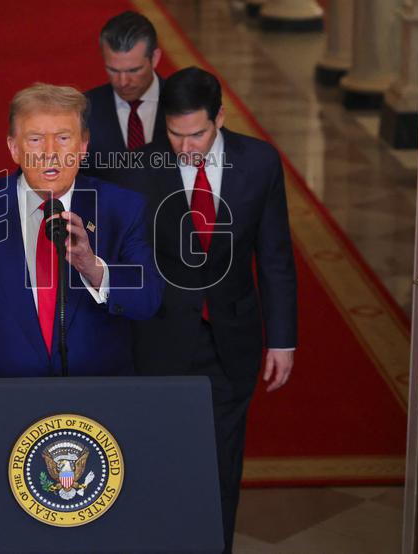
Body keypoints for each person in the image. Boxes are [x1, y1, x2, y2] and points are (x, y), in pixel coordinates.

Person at [0, 83, 164, 415]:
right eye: (36, 139)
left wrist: (93, 267)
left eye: (64, 138)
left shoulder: (122, 208)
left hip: (98, 408)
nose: (50, 152)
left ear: (84, 146)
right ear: (14, 148)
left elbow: (148, 299)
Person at [126, 67, 297, 553]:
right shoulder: (138, 167)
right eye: (174, 134)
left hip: (231, 339)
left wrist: (282, 339)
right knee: (157, 464)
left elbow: (275, 256)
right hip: (158, 338)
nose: (185, 147)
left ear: (219, 118)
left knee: (221, 466)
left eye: (197, 134)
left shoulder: (260, 162)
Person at [80, 11, 166, 180]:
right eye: (113, 70)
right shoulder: (84, 110)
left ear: (155, 58)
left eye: (134, 70)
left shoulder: (186, 104)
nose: (123, 82)